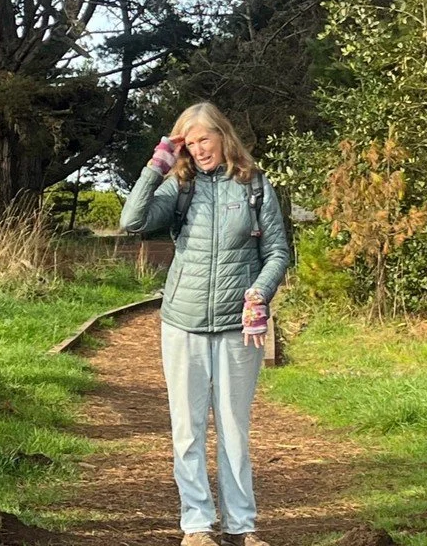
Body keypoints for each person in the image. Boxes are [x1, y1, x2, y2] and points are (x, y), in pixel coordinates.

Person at [119, 102, 291, 546]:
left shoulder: (253, 185)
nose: (198, 149)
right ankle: (196, 526)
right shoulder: (180, 185)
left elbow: (277, 251)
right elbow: (132, 221)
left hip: (238, 325)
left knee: (234, 427)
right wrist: (157, 166)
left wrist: (261, 291)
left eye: (204, 139)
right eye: (189, 143)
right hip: (184, 323)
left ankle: (242, 527)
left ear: (222, 135)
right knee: (188, 427)